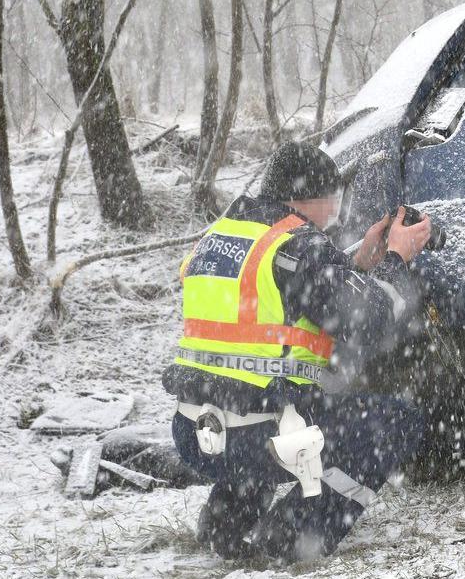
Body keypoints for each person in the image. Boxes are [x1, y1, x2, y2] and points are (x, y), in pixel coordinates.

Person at [166, 140, 433, 562]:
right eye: (334, 199)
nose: (337, 212)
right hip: (257, 433)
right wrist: (397, 258)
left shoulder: (222, 235)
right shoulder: (298, 244)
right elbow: (371, 320)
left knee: (268, 418)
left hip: (196, 430)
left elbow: (290, 296)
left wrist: (360, 263)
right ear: (311, 197)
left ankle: (225, 524)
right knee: (395, 423)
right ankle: (292, 540)